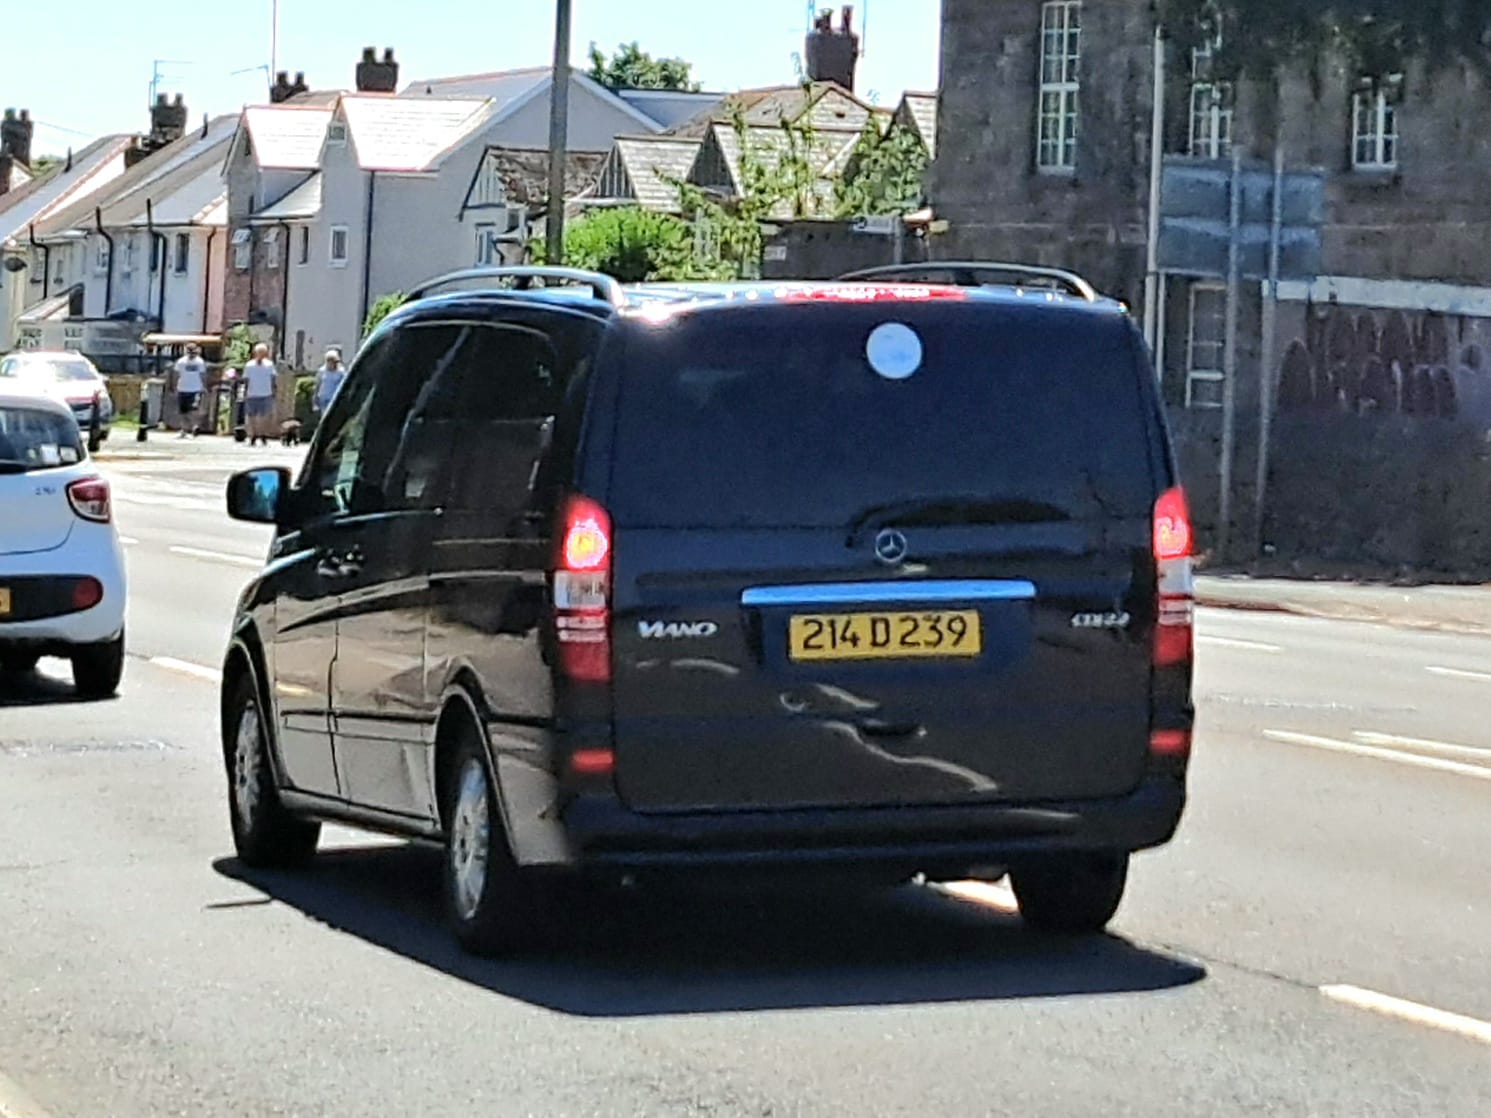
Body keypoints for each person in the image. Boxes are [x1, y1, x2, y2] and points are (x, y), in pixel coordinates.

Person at [242, 343, 278, 447]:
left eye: (263, 352)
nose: (261, 354)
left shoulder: (269, 365)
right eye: (259, 352)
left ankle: (263, 435)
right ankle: (253, 435)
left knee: (265, 416)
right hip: (252, 393)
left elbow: (273, 379)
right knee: (251, 416)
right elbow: (246, 380)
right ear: (255, 353)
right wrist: (244, 392)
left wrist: (274, 390)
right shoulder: (249, 365)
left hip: (266, 393)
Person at [173, 343, 208, 438]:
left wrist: (204, 387)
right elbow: (176, 375)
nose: (191, 354)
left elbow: (203, 375)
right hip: (183, 388)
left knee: (193, 409)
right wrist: (175, 386)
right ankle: (184, 429)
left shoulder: (200, 362)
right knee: (183, 411)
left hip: (195, 389)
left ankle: (194, 426)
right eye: (190, 351)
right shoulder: (181, 362)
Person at [313, 349, 346, 416]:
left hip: (335, 399)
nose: (332, 364)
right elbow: (317, 385)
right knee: (325, 416)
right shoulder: (322, 371)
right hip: (324, 399)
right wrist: (315, 400)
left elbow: (344, 385)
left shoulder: (341, 372)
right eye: (330, 361)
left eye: (334, 361)